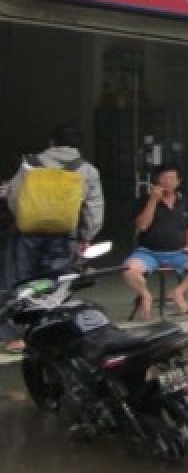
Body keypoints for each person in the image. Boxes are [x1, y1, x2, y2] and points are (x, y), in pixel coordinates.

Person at [3, 124, 104, 354]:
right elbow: (94, 208)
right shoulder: (86, 169)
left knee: (21, 281)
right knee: (57, 282)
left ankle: (19, 337)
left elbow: (13, 196)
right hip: (64, 234)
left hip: (28, 233)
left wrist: (24, 219)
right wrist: (86, 236)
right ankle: (50, 333)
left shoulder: (30, 163)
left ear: (52, 142)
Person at [123, 164, 188, 322]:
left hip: (178, 253)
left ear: (178, 181)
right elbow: (142, 226)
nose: (167, 181)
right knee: (129, 270)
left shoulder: (184, 202)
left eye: (171, 178)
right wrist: (153, 201)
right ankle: (146, 295)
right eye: (163, 177)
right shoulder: (144, 200)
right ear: (157, 180)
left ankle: (178, 292)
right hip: (148, 253)